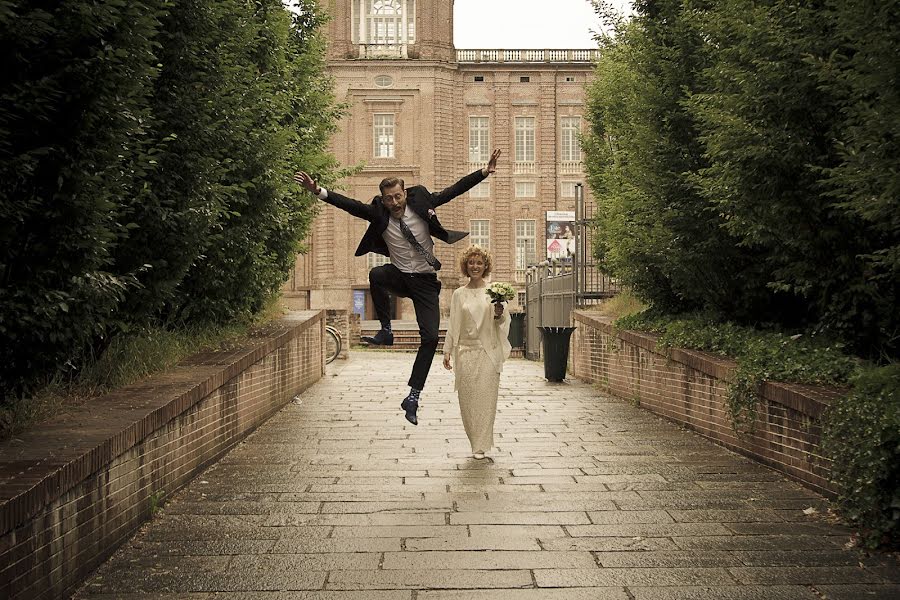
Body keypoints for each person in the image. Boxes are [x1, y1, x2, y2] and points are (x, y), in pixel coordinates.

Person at [294, 149, 501, 425]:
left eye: (398, 196)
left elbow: (452, 192)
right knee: (377, 274)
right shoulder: (378, 213)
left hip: (426, 281)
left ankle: (413, 396)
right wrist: (318, 190)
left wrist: (484, 173)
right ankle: (386, 331)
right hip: (401, 275)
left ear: (405, 193)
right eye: (389, 198)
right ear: (383, 199)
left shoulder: (422, 200)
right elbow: (349, 204)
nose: (394, 202)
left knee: (429, 337)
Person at [442, 246, 511, 459]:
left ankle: (481, 444)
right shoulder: (458, 294)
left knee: (485, 399)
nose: (475, 266)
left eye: (479, 263)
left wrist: (499, 313)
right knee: (468, 401)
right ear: (466, 266)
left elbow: (502, 321)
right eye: (471, 262)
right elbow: (453, 323)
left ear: (485, 266)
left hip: (487, 353)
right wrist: (447, 351)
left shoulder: (493, 292)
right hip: (466, 353)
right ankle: (474, 439)